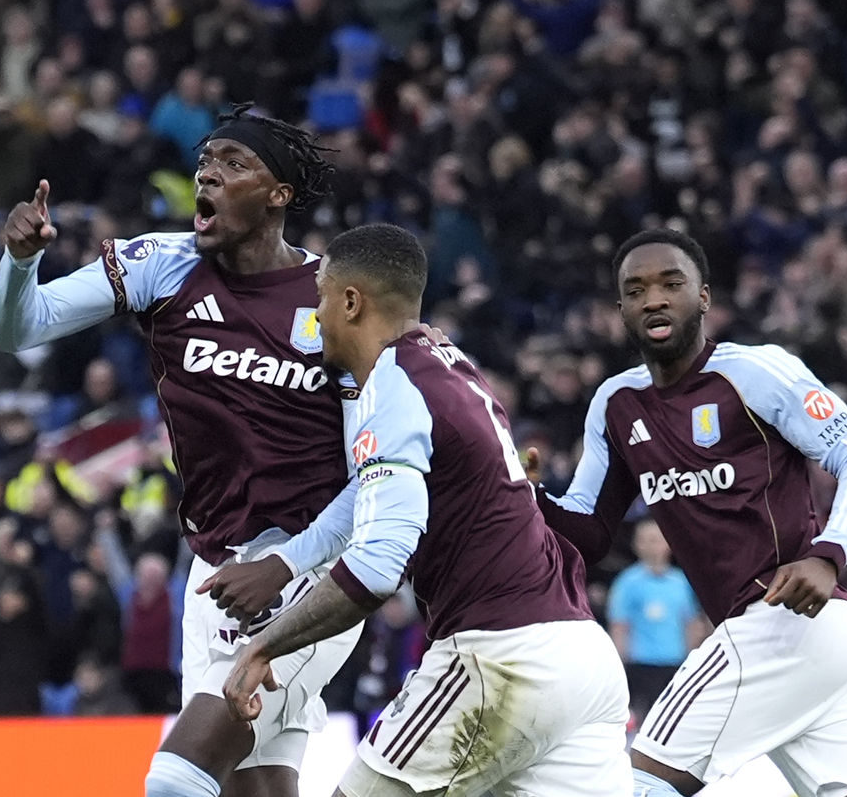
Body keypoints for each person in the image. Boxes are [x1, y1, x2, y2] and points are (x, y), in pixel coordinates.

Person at [0, 104, 365, 797]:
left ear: (279, 195)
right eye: (204, 163)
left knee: (176, 781)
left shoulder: (335, 299)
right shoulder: (164, 265)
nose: (208, 175)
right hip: (215, 570)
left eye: (232, 164)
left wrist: (288, 561)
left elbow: (378, 473)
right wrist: (20, 262)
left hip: (315, 569)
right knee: (253, 790)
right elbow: (18, 329)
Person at [219, 223, 632, 797]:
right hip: (582, 658)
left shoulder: (391, 386)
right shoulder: (452, 364)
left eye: (320, 296)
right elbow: (371, 497)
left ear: (351, 301)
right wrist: (287, 563)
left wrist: (265, 646)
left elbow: (378, 566)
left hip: (498, 659)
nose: (316, 315)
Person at [529, 228, 847, 797]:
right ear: (621, 311)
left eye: (671, 284)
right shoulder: (616, 404)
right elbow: (585, 534)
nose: (653, 298)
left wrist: (829, 555)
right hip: (811, 646)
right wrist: (527, 496)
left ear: (704, 297)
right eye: (635, 290)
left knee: (636, 785)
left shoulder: (757, 372)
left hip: (782, 620)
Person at [606, 517, 702, 725]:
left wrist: (692, 662)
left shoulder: (681, 581)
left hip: (676, 665)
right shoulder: (627, 582)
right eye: (645, 540)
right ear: (636, 545)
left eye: (656, 539)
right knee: (644, 725)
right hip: (641, 666)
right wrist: (619, 670)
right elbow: (620, 627)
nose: (651, 546)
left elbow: (692, 624)